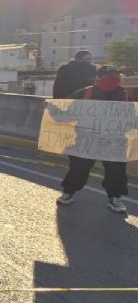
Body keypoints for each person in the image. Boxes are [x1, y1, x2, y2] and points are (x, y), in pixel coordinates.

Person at [56, 66, 131, 213]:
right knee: (78, 168)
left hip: (114, 141)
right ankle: (69, 192)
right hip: (87, 139)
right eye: (110, 76)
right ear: (99, 77)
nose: (114, 78)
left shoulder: (124, 94)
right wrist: (52, 109)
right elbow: (68, 112)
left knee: (116, 171)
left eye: (116, 75)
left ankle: (114, 197)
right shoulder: (85, 92)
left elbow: (132, 117)